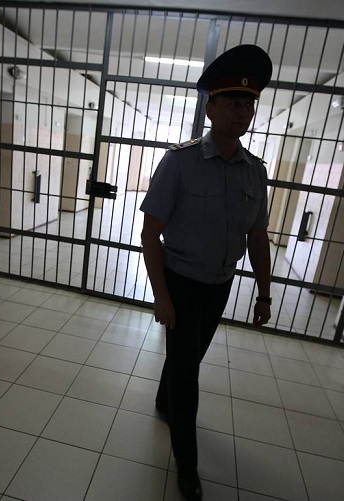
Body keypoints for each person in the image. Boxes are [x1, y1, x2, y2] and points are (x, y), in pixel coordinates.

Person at [139, 44, 273, 501]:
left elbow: (258, 236)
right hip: (180, 281)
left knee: (189, 358)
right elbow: (150, 233)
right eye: (233, 102)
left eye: (248, 104)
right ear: (210, 107)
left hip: (220, 286)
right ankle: (188, 468)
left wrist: (264, 294)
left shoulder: (255, 172)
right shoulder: (180, 162)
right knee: (187, 374)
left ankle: (164, 401)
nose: (242, 111)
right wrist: (161, 296)